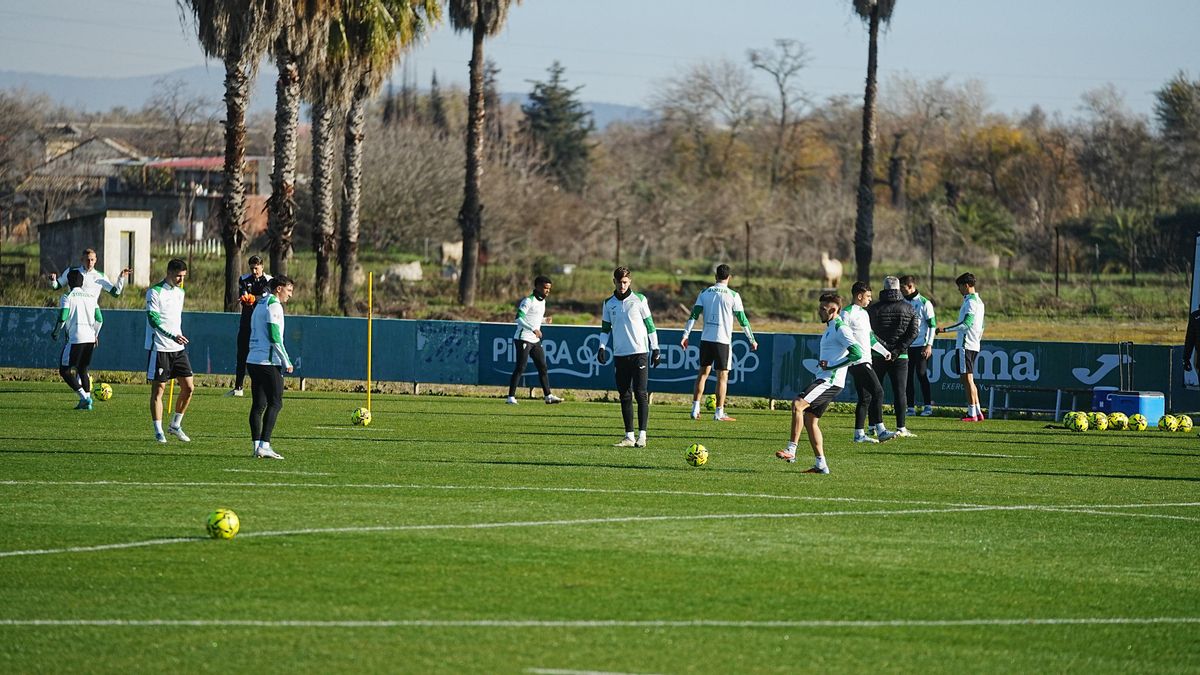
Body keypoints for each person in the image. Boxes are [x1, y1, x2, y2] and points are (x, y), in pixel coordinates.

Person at [775, 293, 860, 474]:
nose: (819, 311)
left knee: (798, 404)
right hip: (825, 379)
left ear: (834, 309)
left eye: (823, 308)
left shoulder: (840, 328)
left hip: (829, 381)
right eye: (819, 308)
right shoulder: (830, 327)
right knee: (810, 420)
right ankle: (821, 465)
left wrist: (832, 365)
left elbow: (857, 354)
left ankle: (791, 449)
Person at [681, 263, 757, 421]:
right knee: (723, 376)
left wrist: (685, 335)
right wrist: (752, 339)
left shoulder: (704, 292)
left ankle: (695, 409)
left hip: (706, 339)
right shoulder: (733, 295)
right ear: (729, 278)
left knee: (702, 374)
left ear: (715, 277)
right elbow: (742, 320)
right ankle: (719, 413)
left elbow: (693, 316)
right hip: (722, 340)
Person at [596, 266, 660, 448]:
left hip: (639, 353)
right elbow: (605, 329)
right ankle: (629, 436)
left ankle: (642, 436)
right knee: (624, 395)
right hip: (620, 354)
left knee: (641, 394)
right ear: (614, 282)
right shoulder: (608, 303)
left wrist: (655, 349)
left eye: (625, 282)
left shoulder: (639, 300)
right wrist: (602, 347)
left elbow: (650, 326)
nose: (622, 285)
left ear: (629, 281)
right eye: (619, 282)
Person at [247, 276, 295, 460]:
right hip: (267, 362)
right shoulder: (274, 305)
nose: (290, 295)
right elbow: (275, 337)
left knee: (258, 405)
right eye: (288, 290)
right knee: (276, 402)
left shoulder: (261, 303)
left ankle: (256, 446)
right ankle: (264, 445)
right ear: (278, 289)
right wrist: (286, 360)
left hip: (253, 360)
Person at [841, 281, 896, 443]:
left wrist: (885, 351)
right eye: (868, 296)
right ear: (859, 296)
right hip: (857, 361)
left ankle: (858, 434)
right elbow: (841, 337)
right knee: (878, 391)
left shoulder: (864, 314)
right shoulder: (847, 313)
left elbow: (870, 337)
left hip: (866, 359)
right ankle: (881, 430)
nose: (870, 299)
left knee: (865, 398)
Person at [146, 258, 194, 443]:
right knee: (159, 391)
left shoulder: (180, 292)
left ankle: (175, 425)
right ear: (169, 273)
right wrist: (171, 335)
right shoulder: (155, 292)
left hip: (178, 348)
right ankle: (158, 431)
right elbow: (153, 319)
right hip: (160, 347)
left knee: (189, 388)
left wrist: (177, 338)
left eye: (183, 276)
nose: (181, 280)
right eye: (178, 276)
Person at [868, 276, 918, 437]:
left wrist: (884, 348)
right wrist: (897, 350)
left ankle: (873, 426)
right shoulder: (909, 308)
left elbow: (870, 333)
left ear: (884, 288)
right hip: (901, 356)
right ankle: (901, 427)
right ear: (898, 289)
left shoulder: (873, 309)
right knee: (900, 392)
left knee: (875, 391)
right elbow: (913, 333)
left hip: (877, 354)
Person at [505, 275, 564, 405]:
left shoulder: (542, 301)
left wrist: (544, 320)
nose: (548, 291)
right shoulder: (528, 301)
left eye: (549, 288)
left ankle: (548, 396)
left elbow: (534, 318)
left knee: (542, 367)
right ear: (537, 287)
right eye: (545, 288)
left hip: (534, 340)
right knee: (521, 367)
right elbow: (518, 318)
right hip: (523, 338)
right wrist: (533, 329)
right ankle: (510, 397)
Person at [51, 269, 103, 410]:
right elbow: (100, 319)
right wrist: (95, 334)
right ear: (82, 282)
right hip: (90, 339)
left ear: (69, 282)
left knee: (64, 371)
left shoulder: (67, 297)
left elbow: (63, 317)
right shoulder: (91, 297)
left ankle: (84, 397)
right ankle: (86, 403)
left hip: (75, 339)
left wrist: (56, 332)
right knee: (82, 369)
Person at [937, 272, 986, 422]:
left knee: (967, 379)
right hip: (974, 343)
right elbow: (982, 326)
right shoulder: (979, 302)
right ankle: (977, 411)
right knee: (969, 379)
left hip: (965, 345)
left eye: (959, 287)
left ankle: (972, 414)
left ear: (966, 285)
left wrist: (944, 330)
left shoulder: (971, 302)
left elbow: (966, 324)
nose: (958, 290)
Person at [227, 255, 272, 397]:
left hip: (262, 324)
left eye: (256, 268)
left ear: (262, 267)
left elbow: (265, 296)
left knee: (262, 355)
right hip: (246, 322)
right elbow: (244, 294)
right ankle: (238, 387)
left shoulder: (269, 280)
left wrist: (253, 298)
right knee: (242, 355)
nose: (254, 271)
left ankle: (264, 386)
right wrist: (247, 298)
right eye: (252, 268)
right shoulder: (244, 279)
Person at [900, 275, 937, 416]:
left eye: (903, 288)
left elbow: (932, 325)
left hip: (921, 345)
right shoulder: (901, 302)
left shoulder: (924, 303)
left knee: (921, 375)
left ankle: (928, 406)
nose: (901, 291)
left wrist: (929, 345)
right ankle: (910, 407)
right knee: (907, 377)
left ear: (910, 286)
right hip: (906, 346)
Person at [48, 248, 130, 304]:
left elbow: (116, 293)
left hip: (90, 313)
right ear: (82, 260)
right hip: (74, 311)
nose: (89, 262)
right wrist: (53, 280)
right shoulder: (71, 271)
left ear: (95, 260)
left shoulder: (101, 276)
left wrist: (121, 278)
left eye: (92, 260)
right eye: (87, 260)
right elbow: (56, 286)